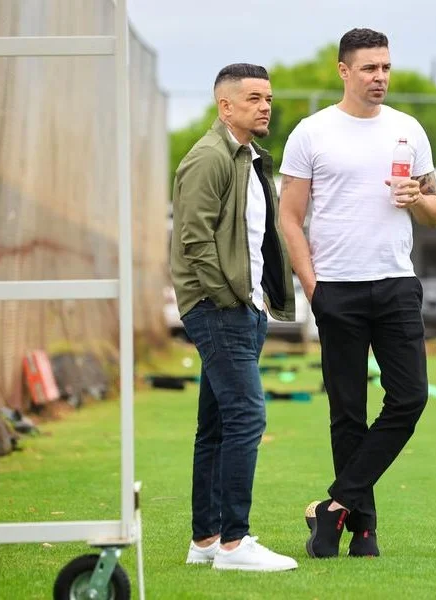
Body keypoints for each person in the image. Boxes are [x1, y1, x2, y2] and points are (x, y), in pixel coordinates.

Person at [278, 28, 436, 559]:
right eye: (370, 68)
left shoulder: (408, 130)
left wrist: (418, 198)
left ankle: (333, 506)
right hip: (337, 289)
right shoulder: (312, 133)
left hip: (396, 284)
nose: (380, 77)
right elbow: (289, 217)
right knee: (347, 412)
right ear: (344, 71)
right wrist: (313, 287)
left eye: (386, 67)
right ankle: (363, 531)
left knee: (410, 398)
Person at [170, 63, 297, 572]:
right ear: (225, 106)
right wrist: (230, 299)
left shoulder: (248, 157)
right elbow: (194, 238)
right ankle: (234, 544)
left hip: (242, 307)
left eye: (268, 98)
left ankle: (206, 539)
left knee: (218, 425)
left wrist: (256, 300)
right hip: (220, 309)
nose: (265, 107)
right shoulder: (209, 157)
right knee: (248, 417)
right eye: (253, 99)